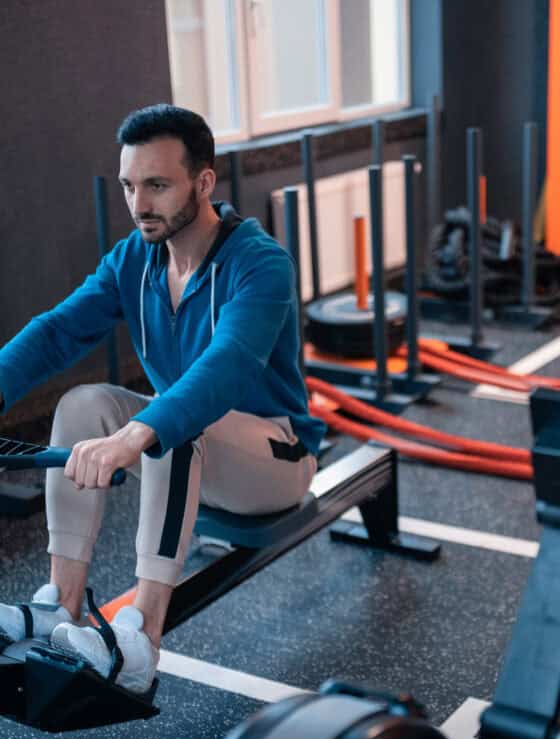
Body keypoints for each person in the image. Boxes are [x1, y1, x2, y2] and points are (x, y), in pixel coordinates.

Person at [0, 104, 325, 694]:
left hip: (276, 456)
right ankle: (60, 604)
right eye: (129, 185)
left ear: (204, 182)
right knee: (81, 403)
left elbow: (228, 366)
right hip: (192, 443)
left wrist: (137, 432)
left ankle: (141, 642)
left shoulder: (259, 263)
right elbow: (56, 333)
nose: (139, 203)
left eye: (156, 184)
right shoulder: (135, 259)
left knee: (175, 419)